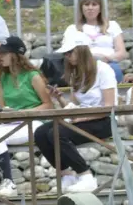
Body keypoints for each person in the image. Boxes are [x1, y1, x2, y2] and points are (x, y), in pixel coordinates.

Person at [34, 35, 118, 194]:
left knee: (56, 133)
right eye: (65, 53)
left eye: (70, 52)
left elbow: (109, 107)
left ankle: (86, 176)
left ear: (81, 51)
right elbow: (73, 107)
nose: (67, 56)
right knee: (40, 133)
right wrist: (60, 99)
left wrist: (81, 117)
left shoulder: (103, 69)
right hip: (83, 118)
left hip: (104, 121)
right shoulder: (75, 73)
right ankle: (67, 175)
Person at [0, 36, 53, 197]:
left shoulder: (33, 76)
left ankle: (9, 182)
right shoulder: (2, 78)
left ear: (16, 55)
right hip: (11, 122)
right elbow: (3, 106)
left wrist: (24, 114)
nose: (0, 57)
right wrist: (1, 112)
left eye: (4, 53)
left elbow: (48, 105)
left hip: (34, 122)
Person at [62, 0, 127, 82]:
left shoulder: (112, 26)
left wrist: (106, 58)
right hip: (83, 67)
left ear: (100, 8)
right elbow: (68, 54)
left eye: (94, 4)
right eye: (86, 4)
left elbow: (122, 52)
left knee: (114, 69)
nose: (90, 8)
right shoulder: (72, 29)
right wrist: (91, 59)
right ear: (81, 8)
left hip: (109, 64)